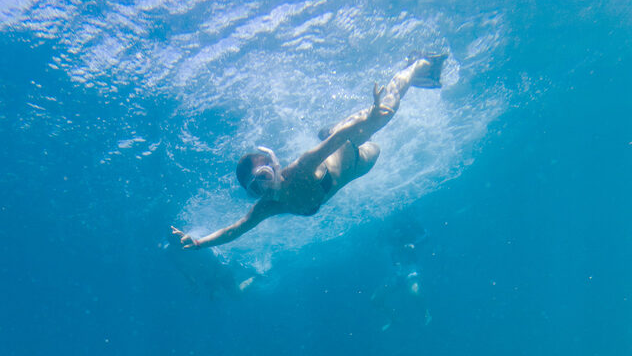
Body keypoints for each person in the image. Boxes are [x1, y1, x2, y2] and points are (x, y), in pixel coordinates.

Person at [171, 55, 446, 250]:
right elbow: (235, 229)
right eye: (256, 188)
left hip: (345, 144)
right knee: (377, 151)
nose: (264, 189)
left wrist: (369, 118)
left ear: (275, 166)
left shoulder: (301, 168)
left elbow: (339, 138)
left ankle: (417, 65)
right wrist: (199, 243)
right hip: (357, 166)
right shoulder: (268, 208)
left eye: (264, 176)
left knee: (385, 113)